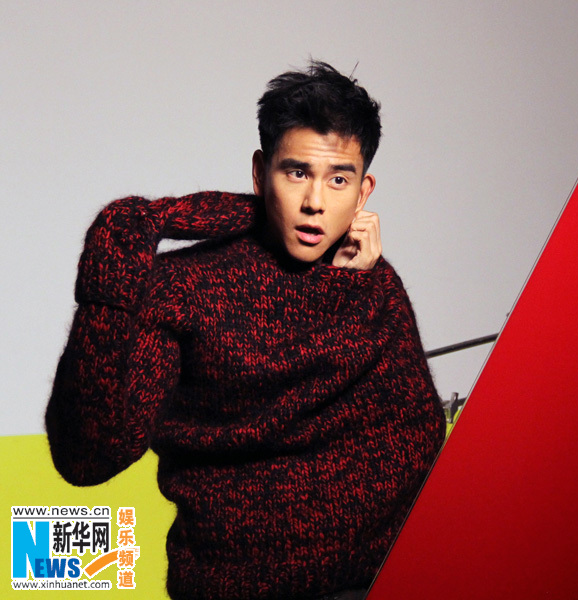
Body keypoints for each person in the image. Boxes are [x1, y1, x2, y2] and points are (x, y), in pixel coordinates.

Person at [46, 61, 445, 600]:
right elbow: (88, 457)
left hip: (379, 584)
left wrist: (344, 293)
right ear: (260, 173)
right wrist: (108, 291)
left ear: (363, 191)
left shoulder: (370, 282)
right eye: (297, 172)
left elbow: (417, 441)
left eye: (338, 179)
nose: (315, 202)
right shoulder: (183, 289)